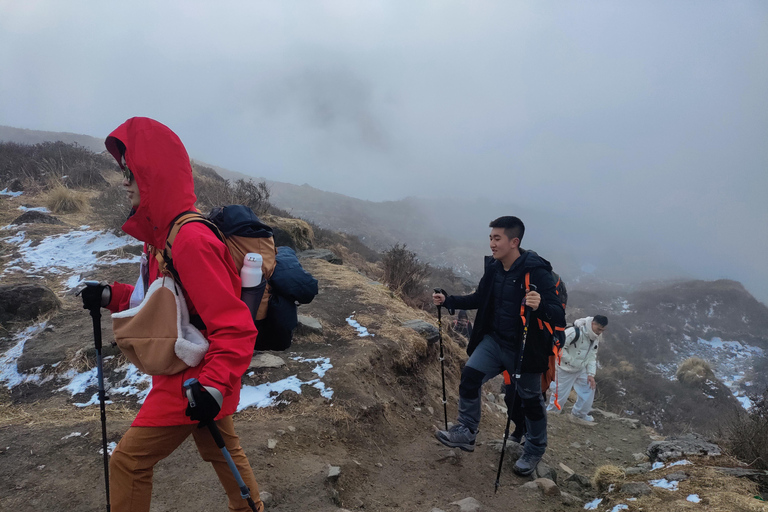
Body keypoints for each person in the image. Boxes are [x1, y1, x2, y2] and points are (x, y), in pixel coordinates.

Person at [79, 117, 264, 512]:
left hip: (195, 376)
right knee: (221, 451)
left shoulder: (191, 240)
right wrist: (113, 295)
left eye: (131, 172)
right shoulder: (162, 236)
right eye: (122, 172)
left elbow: (235, 327)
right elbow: (166, 302)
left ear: (153, 174)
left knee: (128, 463)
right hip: (194, 368)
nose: (124, 182)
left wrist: (212, 386)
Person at [432, 216, 565, 476]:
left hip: (526, 347)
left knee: (529, 399)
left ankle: (535, 448)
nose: (492, 243)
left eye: (497, 238)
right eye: (491, 238)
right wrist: (450, 300)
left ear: (514, 242)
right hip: (494, 341)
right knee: (470, 376)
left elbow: (558, 315)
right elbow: (481, 298)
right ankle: (467, 431)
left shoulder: (537, 272)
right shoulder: (494, 268)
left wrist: (540, 306)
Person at [546, 315, 608, 424]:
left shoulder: (595, 337)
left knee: (589, 388)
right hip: (564, 368)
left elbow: (592, 356)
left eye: (603, 330)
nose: (600, 332)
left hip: (581, 368)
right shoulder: (574, 332)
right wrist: (571, 361)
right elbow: (558, 347)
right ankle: (551, 416)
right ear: (593, 323)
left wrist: (591, 374)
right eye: (599, 329)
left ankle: (579, 414)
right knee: (559, 397)